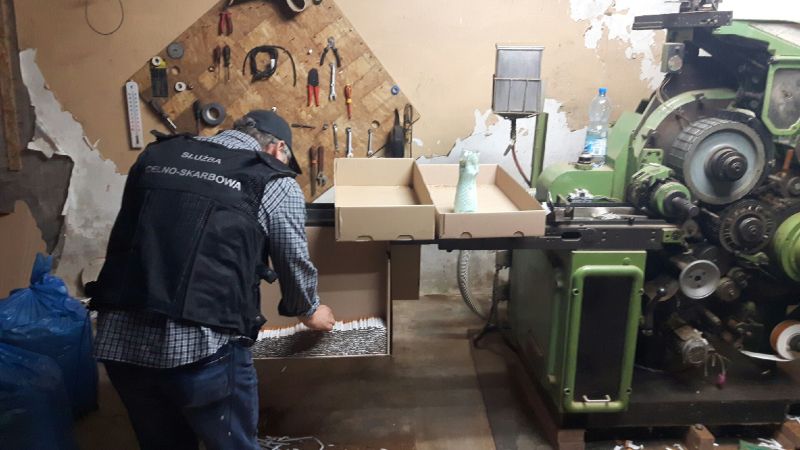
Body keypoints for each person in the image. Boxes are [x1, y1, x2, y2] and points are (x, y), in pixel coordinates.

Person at [88, 110, 335, 450]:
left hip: (119, 341)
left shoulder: (156, 157)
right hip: (202, 348)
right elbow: (292, 260)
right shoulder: (274, 181)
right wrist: (308, 310)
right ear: (278, 148)